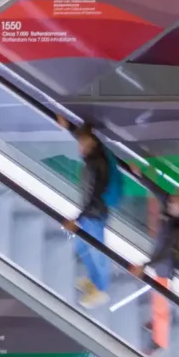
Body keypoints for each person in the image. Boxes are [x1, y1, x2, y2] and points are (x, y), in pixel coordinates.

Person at [142, 184, 179, 349]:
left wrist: (145, 265)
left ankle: (159, 341)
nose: (171, 202)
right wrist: (140, 176)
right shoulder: (173, 215)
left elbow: (165, 252)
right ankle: (156, 325)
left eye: (177, 201)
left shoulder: (177, 229)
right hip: (162, 267)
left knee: (160, 305)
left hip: (165, 268)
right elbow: (161, 193)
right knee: (157, 300)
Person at [68, 120, 116, 302]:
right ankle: (94, 281)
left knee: (97, 251)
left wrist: (78, 218)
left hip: (94, 214)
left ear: (93, 142)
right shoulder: (92, 156)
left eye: (83, 143)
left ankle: (101, 289)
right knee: (81, 247)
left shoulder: (98, 164)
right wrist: (69, 127)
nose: (80, 147)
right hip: (89, 213)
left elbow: (94, 195)